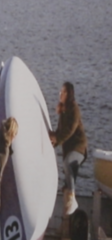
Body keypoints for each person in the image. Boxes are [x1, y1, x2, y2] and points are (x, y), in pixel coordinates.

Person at [50, 81, 88, 215]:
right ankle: (67, 219)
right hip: (68, 149)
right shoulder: (63, 110)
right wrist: (51, 137)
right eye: (60, 91)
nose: (60, 94)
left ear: (69, 94)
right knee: (66, 175)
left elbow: (70, 130)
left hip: (79, 148)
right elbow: (60, 130)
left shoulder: (74, 109)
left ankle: (72, 198)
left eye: (63, 92)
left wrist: (58, 139)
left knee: (67, 163)